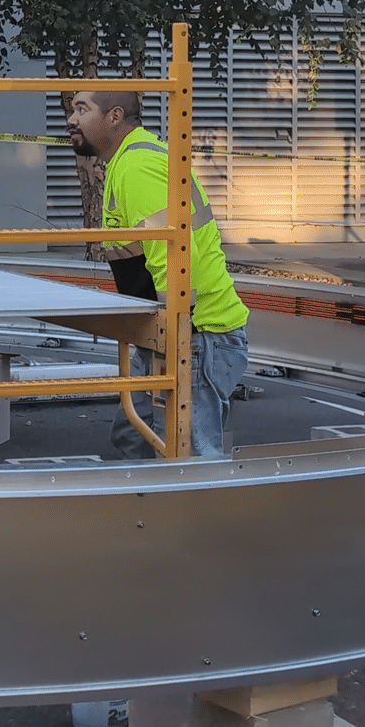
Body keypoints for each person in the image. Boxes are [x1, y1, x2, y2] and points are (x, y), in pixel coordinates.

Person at [66, 90, 249, 459]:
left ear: (115, 116)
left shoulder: (137, 168)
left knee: (192, 456)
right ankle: (152, 511)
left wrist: (175, 334)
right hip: (176, 332)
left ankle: (195, 514)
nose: (72, 119)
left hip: (195, 335)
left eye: (83, 109)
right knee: (134, 435)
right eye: (72, 109)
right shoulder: (129, 161)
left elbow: (177, 256)